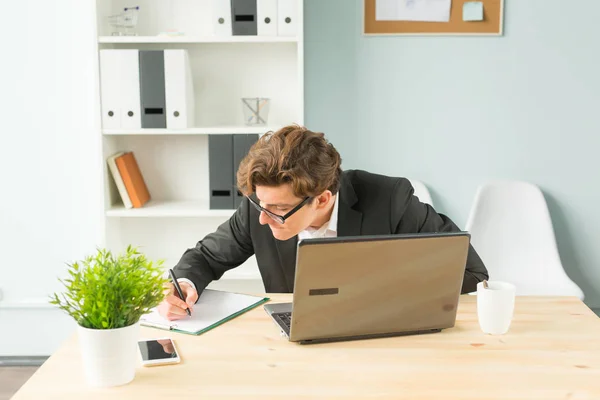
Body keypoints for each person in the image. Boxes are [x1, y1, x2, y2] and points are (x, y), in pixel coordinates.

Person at [157, 125, 488, 321]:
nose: (262, 217)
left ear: (323, 199)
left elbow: (471, 273)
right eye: (260, 203)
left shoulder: (390, 199)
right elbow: (205, 257)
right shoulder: (259, 209)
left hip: (381, 336)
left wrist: (386, 290)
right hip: (296, 344)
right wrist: (184, 284)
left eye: (277, 209)